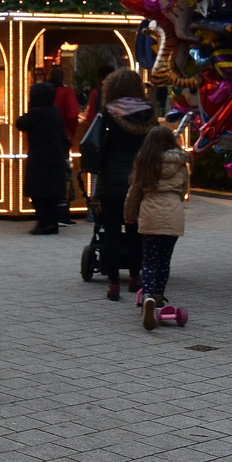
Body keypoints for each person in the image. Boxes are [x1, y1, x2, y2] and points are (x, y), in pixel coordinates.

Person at [96, 68, 156, 300]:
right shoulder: (149, 112)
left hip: (111, 179)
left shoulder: (108, 113)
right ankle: (134, 276)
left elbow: (99, 146)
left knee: (111, 229)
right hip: (138, 180)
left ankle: (113, 283)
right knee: (135, 230)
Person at [124, 125, 189, 329]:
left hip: (150, 213)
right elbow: (184, 189)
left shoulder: (144, 162)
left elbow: (134, 192)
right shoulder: (180, 163)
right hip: (173, 213)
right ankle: (159, 297)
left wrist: (129, 215)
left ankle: (148, 296)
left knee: (150, 261)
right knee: (164, 260)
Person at [15, 81, 70, 234]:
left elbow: (20, 123)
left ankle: (44, 223)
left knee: (38, 193)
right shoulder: (55, 110)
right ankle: (52, 223)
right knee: (52, 194)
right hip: (56, 156)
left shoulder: (36, 113)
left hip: (39, 158)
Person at [47, 66, 80, 227]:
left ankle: (48, 212)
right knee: (64, 176)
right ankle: (63, 213)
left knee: (48, 176)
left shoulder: (44, 93)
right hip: (63, 139)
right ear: (62, 78)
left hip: (44, 140)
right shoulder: (66, 93)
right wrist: (71, 133)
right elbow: (73, 114)